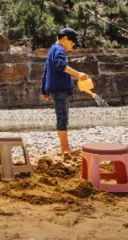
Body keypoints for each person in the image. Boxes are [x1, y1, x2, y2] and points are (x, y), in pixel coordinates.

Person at [40, 27, 90, 157]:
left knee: (62, 116)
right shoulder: (59, 49)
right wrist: (78, 74)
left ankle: (65, 147)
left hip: (54, 88)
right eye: (72, 43)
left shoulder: (52, 50)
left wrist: (44, 90)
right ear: (65, 39)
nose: (72, 47)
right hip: (60, 88)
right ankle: (65, 149)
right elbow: (59, 64)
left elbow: (46, 71)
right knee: (62, 117)